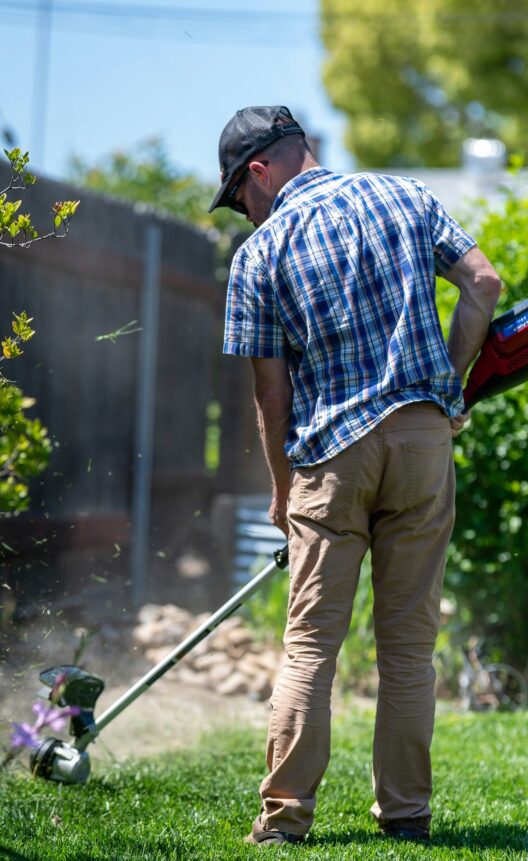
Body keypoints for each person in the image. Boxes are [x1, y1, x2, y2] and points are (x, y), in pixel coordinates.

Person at [209, 105, 501, 846]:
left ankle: (284, 822)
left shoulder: (260, 254)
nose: (247, 215)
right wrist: (450, 389)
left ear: (260, 173)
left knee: (311, 644)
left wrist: (282, 494)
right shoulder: (406, 195)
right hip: (422, 443)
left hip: (332, 458)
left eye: (241, 200)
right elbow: (485, 284)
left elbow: (270, 398)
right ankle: (406, 814)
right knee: (409, 645)